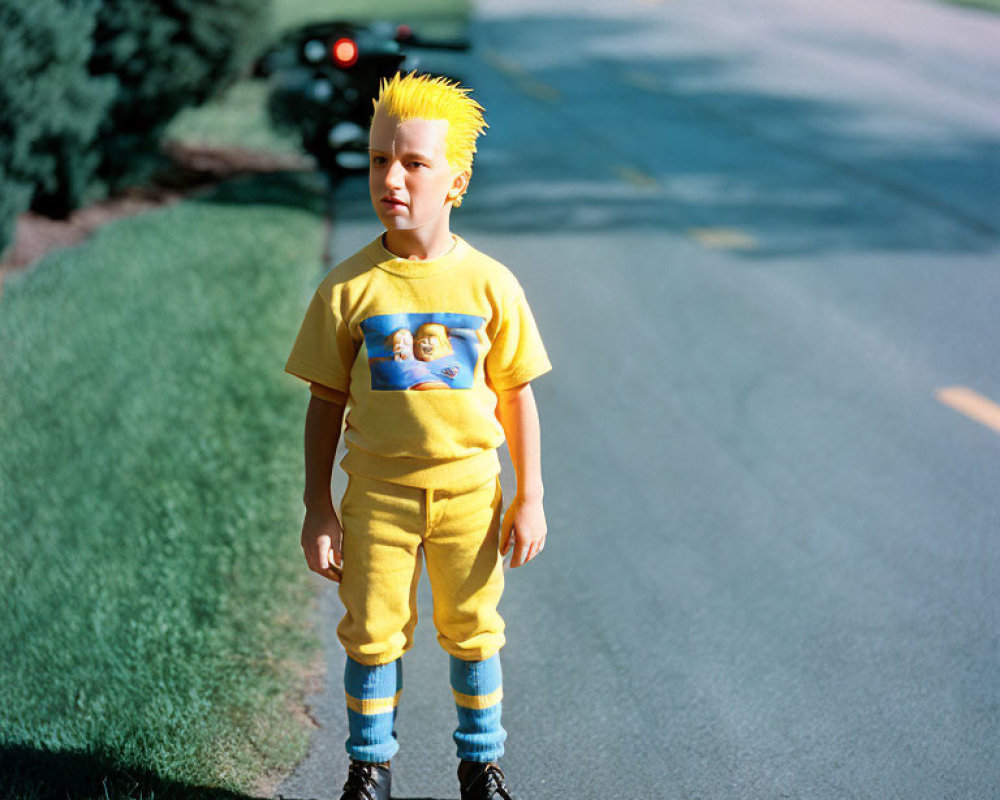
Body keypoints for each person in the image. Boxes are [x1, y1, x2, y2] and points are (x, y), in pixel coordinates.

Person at [284, 71, 551, 800]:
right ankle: (369, 769)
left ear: (456, 180)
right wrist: (319, 505)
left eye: (413, 163)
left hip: (471, 493)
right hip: (378, 493)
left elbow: (516, 394)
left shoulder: (492, 285)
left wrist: (529, 497)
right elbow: (324, 402)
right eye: (377, 160)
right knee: (371, 632)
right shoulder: (348, 289)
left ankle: (481, 766)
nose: (390, 178)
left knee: (474, 630)